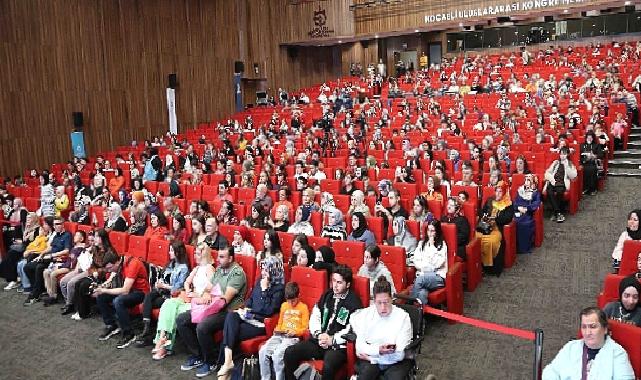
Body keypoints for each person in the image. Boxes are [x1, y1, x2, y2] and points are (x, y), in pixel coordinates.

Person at [177, 246, 247, 377]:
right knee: (182, 319)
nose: (218, 260)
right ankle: (198, 355)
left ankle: (211, 361)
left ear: (231, 258)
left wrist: (209, 299)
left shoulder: (237, 273)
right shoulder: (220, 270)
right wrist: (205, 296)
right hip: (212, 307)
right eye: (218, 256)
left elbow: (226, 299)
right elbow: (208, 289)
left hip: (229, 312)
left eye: (222, 257)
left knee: (203, 326)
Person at [283, 265, 363, 380]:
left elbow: (352, 329)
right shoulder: (327, 295)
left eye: (339, 282)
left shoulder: (354, 302)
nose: (335, 285)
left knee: (329, 366)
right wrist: (319, 334)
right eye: (334, 281)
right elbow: (315, 315)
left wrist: (332, 339)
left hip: (337, 346)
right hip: (319, 340)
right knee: (290, 352)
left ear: (348, 284)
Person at [216, 256, 285, 379]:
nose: (263, 272)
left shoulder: (279, 289)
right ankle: (228, 362)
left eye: (266, 270)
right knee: (231, 316)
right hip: (249, 317)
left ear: (274, 271)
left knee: (231, 333)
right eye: (262, 269)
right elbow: (251, 299)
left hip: (261, 323)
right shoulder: (259, 280)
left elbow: (269, 311)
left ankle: (227, 369)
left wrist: (264, 291)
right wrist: (246, 308)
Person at [151, 244, 215, 360]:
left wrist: (197, 294)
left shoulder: (210, 269)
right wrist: (189, 290)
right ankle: (162, 338)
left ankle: (163, 346)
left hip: (201, 302)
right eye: (195, 253)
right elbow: (186, 282)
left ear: (204, 255)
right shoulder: (196, 268)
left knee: (175, 312)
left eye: (198, 254)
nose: (195, 256)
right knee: (168, 304)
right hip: (191, 298)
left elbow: (212, 288)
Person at [542, 307, 634, 380]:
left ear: (605, 329)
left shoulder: (618, 354)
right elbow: (551, 371)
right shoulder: (571, 347)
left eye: (593, 327)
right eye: (584, 327)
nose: (587, 332)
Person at [350, 277, 413, 379]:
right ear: (374, 301)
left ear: (392, 299)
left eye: (386, 302)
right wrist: (378, 350)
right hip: (374, 357)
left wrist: (372, 358)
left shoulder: (403, 317)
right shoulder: (365, 315)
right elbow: (359, 348)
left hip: (395, 362)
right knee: (366, 375)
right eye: (379, 303)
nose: (383, 307)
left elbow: (399, 354)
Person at [135, 241, 190, 347]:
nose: (169, 253)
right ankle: (147, 330)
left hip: (171, 295)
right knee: (148, 296)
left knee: (150, 302)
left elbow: (178, 288)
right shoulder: (170, 264)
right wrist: (158, 283)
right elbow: (162, 276)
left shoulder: (183, 268)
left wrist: (164, 286)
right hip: (161, 291)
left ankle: (148, 331)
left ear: (178, 252)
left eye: (171, 251)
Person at [94, 250, 150, 348]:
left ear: (117, 262)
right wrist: (102, 288)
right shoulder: (119, 264)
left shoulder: (133, 264)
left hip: (141, 292)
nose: (109, 271)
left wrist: (104, 290)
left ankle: (129, 333)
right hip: (130, 290)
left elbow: (125, 290)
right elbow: (115, 282)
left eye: (110, 268)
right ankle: (111, 325)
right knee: (101, 296)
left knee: (118, 301)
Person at [259, 282, 310, 380]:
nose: (291, 304)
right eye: (288, 301)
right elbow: (280, 323)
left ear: (298, 296)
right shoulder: (284, 306)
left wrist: (295, 332)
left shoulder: (303, 307)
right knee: (263, 351)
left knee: (277, 355)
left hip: (293, 337)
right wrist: (277, 330)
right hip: (280, 335)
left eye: (293, 301)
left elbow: (305, 328)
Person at [23, 217, 72, 305]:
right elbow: (50, 247)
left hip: (57, 258)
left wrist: (52, 255)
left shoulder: (67, 235)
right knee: (27, 267)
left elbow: (67, 251)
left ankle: (36, 294)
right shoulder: (56, 235)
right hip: (49, 257)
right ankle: (37, 288)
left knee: (39, 267)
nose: (55, 226)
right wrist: (42, 253)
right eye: (54, 224)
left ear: (62, 224)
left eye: (58, 224)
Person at [476, 181, 514, 275]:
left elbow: (507, 218)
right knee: (476, 238)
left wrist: (495, 219)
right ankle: (479, 266)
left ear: (504, 192)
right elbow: (482, 212)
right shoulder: (490, 200)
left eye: (500, 191)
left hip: (497, 228)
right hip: (485, 227)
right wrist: (484, 217)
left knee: (491, 242)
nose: (497, 193)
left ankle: (489, 267)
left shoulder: (508, 204)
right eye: (496, 191)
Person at [41, 230, 87, 306]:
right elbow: (69, 258)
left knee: (53, 274)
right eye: (74, 235)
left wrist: (62, 266)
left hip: (71, 268)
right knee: (46, 272)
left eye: (77, 235)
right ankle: (50, 294)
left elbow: (75, 261)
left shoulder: (81, 248)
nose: (74, 237)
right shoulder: (73, 247)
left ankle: (54, 296)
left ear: (81, 239)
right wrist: (60, 263)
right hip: (66, 264)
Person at [411, 220, 447, 305]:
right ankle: (425, 317)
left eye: (432, 231)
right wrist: (426, 267)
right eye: (428, 230)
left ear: (437, 232)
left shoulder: (442, 245)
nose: (430, 233)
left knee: (420, 280)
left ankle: (409, 304)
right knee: (422, 293)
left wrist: (432, 247)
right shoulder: (421, 244)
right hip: (423, 274)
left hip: (438, 277)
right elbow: (416, 260)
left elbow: (437, 264)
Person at [1, 211, 38, 290]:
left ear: (34, 220)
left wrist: (25, 238)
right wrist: (23, 237)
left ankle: (13, 280)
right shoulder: (27, 228)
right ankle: (12, 279)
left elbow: (34, 242)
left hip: (30, 249)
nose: (27, 220)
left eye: (29, 219)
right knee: (10, 254)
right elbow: (25, 241)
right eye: (27, 219)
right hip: (24, 247)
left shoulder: (37, 229)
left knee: (12, 255)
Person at [544, 147, 577, 223]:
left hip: (562, 182)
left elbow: (573, 175)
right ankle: (558, 213)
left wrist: (567, 166)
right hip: (553, 181)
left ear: (567, 155)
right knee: (549, 190)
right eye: (561, 154)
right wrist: (551, 179)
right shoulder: (556, 162)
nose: (562, 156)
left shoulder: (570, 163)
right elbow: (547, 172)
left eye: (564, 154)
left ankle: (555, 213)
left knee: (559, 191)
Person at [513, 174, 542, 254]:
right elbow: (515, 201)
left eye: (529, 180)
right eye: (526, 180)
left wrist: (526, 208)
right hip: (517, 211)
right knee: (512, 221)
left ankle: (522, 248)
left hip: (527, 214)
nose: (526, 182)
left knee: (523, 224)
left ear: (533, 182)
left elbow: (536, 204)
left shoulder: (535, 193)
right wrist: (518, 208)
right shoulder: (520, 190)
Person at [580, 131, 604, 196]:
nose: (589, 139)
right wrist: (584, 159)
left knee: (591, 169)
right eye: (588, 138)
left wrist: (594, 156)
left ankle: (592, 189)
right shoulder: (582, 145)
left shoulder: (596, 145)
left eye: (591, 138)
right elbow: (579, 156)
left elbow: (601, 155)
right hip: (584, 162)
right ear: (586, 138)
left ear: (593, 138)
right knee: (583, 169)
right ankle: (585, 188)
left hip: (592, 162)